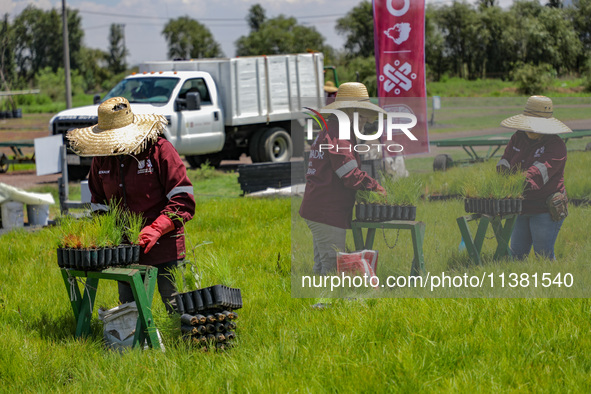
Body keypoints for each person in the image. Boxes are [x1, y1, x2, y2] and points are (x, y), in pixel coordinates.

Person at [67, 97, 195, 313]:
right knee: (130, 313)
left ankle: (179, 345)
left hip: (165, 249)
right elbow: (99, 204)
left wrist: (156, 229)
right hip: (126, 252)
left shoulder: (160, 151)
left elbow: (183, 200)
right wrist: (100, 236)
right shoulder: (102, 160)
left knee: (176, 310)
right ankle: (137, 346)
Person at [299, 82, 386, 275]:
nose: (366, 123)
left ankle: (317, 301)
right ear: (351, 112)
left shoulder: (333, 128)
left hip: (319, 206)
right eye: (363, 116)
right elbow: (349, 174)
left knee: (322, 266)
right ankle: (327, 304)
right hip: (327, 210)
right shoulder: (341, 133)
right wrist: (375, 187)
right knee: (331, 267)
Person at [496, 95, 571, 260]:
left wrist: (511, 182)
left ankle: (550, 285)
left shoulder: (556, 146)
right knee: (516, 255)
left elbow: (536, 175)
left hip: (545, 209)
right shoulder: (517, 137)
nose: (531, 129)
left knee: (543, 256)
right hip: (521, 207)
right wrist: (499, 176)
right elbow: (505, 160)